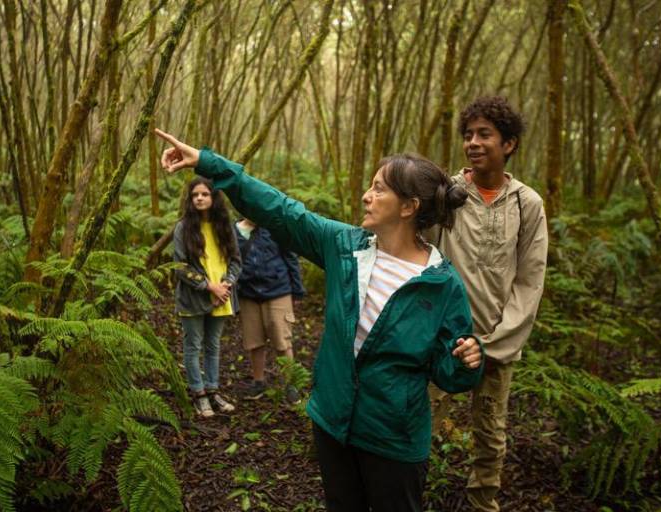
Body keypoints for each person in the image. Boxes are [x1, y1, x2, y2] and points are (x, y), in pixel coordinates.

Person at [156, 128, 483, 512]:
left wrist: (466, 361)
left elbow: (450, 372)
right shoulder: (345, 247)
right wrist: (210, 164)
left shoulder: (442, 285)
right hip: (333, 423)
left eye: (379, 189)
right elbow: (280, 209)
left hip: (395, 438)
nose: (366, 195)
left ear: (408, 207)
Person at [429, 96, 548, 511]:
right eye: (468, 135)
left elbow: (530, 280)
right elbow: (419, 251)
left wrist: (493, 344)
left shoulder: (526, 203)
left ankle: (483, 504)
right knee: (418, 425)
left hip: (496, 344)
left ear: (509, 144)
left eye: (485, 134)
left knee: (490, 436)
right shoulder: (447, 192)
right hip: (441, 340)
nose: (473, 143)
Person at [172, 176, 241, 418]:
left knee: (213, 346)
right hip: (193, 298)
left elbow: (236, 261)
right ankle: (198, 394)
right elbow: (179, 266)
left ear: (213, 198)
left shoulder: (224, 226)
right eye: (195, 195)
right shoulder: (183, 227)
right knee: (193, 347)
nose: (200, 198)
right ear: (190, 200)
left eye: (205, 194)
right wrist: (208, 286)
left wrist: (226, 285)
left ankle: (213, 391)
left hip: (222, 297)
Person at [234, 217, 306, 403]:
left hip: (278, 290)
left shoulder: (276, 227)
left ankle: (289, 384)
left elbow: (291, 258)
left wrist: (297, 290)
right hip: (247, 293)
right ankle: (258, 382)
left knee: (282, 340)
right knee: (254, 341)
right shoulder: (234, 231)